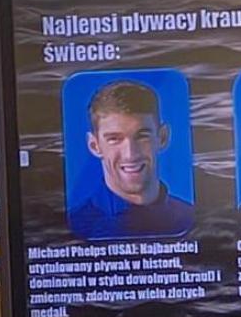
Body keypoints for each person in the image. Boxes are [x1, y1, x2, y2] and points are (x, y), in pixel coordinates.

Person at [69, 80, 193, 240]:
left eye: (142, 136)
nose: (130, 154)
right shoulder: (70, 231)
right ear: (94, 146)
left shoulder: (194, 220)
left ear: (162, 137)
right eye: (114, 139)